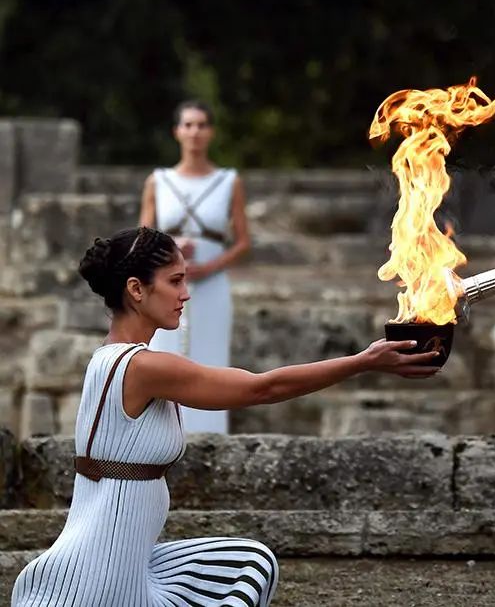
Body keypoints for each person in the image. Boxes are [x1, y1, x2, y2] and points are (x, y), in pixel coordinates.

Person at [11, 227, 438, 606]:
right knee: (251, 567)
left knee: (249, 561)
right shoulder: (143, 367)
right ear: (136, 290)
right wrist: (363, 362)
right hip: (100, 577)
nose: (185, 293)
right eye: (175, 281)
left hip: (126, 563)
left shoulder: (112, 359)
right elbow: (261, 388)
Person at [140, 100, 248, 434]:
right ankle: (161, 437)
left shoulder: (228, 181)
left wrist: (211, 265)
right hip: (165, 284)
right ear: (177, 132)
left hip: (212, 284)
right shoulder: (158, 181)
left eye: (201, 125)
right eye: (188, 125)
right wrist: (171, 250)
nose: (195, 132)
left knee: (210, 358)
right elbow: (141, 238)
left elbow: (243, 242)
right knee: (164, 355)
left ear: (211, 132)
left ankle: (209, 436)